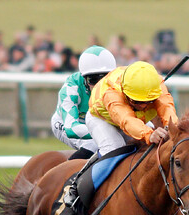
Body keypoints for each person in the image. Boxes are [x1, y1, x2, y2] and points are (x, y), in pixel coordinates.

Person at [62, 61, 177, 207]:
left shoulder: (156, 86)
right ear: (125, 92)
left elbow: (168, 110)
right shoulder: (112, 94)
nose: (143, 105)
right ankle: (76, 187)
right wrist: (149, 134)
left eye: (149, 101)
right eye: (137, 101)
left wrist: (174, 129)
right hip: (102, 118)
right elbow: (126, 121)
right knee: (114, 148)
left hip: (134, 118)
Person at [50, 46, 116, 160]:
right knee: (93, 144)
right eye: (93, 80)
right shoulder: (71, 88)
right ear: (84, 78)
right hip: (67, 124)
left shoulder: (118, 83)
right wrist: (104, 133)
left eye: (105, 78)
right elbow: (71, 128)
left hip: (98, 122)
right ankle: (70, 176)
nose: (100, 86)